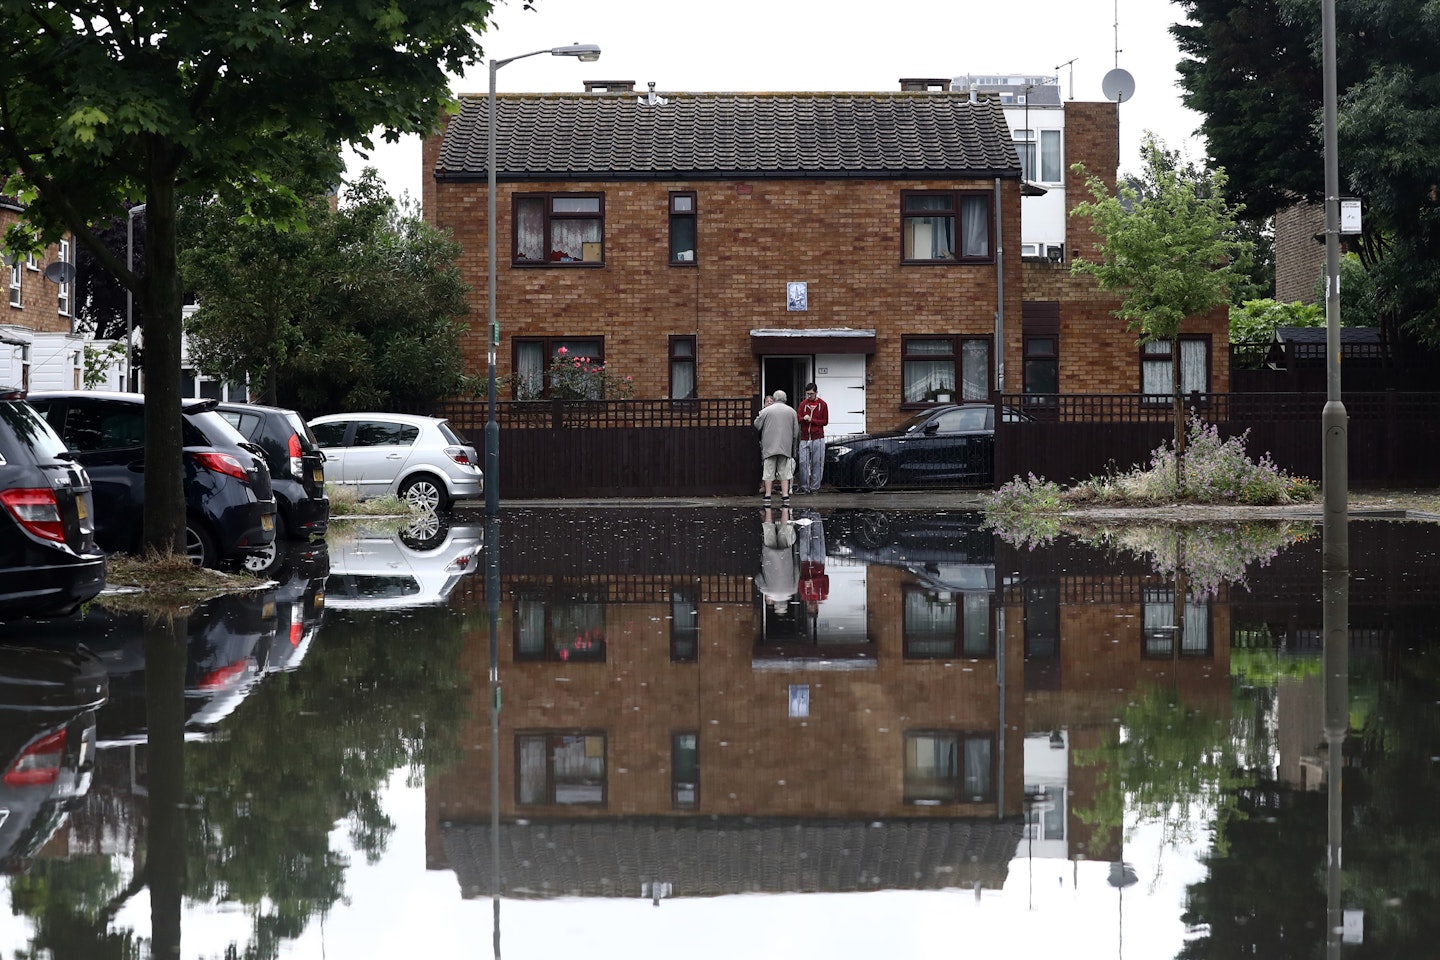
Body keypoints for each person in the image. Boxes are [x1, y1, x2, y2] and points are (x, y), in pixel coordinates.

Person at [754, 388, 800, 506]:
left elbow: (757, 424)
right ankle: (785, 495)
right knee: (784, 471)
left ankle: (768, 494)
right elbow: (796, 431)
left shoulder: (766, 411)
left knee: (769, 470)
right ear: (785, 400)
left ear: (774, 399)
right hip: (785, 446)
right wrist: (793, 443)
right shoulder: (792, 412)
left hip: (769, 446)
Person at [795, 382, 829, 494]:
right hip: (805, 438)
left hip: (817, 438)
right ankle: (804, 486)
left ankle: (815, 487)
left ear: (816, 392)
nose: (809, 396)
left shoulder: (823, 405)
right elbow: (798, 418)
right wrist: (804, 419)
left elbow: (825, 421)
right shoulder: (803, 404)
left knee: (817, 463)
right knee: (803, 462)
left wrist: (812, 420)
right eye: (808, 394)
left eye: (811, 394)